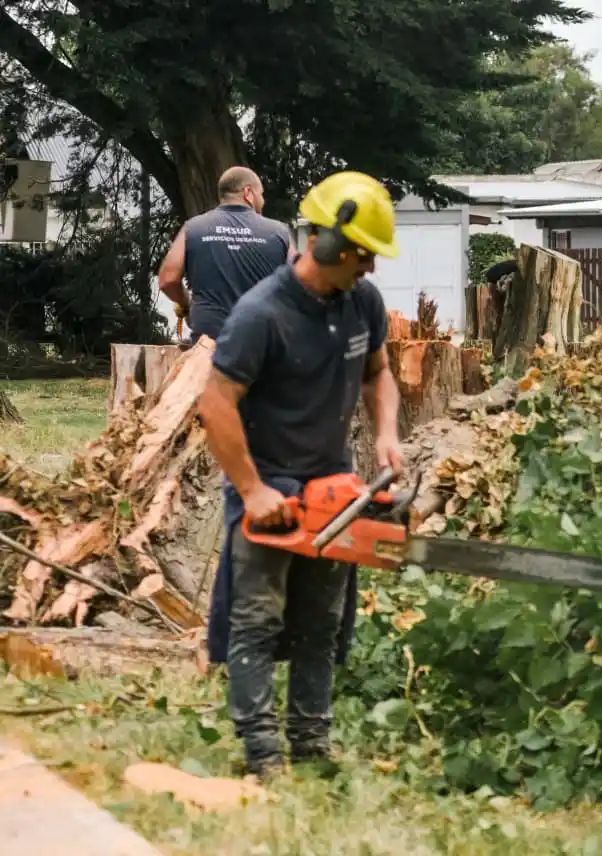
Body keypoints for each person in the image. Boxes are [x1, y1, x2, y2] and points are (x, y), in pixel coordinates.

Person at [197, 170, 405, 779]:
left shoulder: (361, 301)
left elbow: (378, 373)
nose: (369, 270)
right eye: (364, 256)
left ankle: (312, 742)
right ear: (330, 243)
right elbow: (215, 403)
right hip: (269, 487)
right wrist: (252, 489)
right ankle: (262, 754)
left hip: (333, 483)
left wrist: (388, 434)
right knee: (256, 624)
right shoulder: (261, 313)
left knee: (322, 624)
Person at [157, 166, 294, 343]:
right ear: (248, 193)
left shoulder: (193, 228)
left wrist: (186, 303)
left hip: (208, 347)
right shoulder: (279, 232)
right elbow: (302, 283)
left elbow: (168, 279)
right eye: (261, 194)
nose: (263, 201)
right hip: (261, 346)